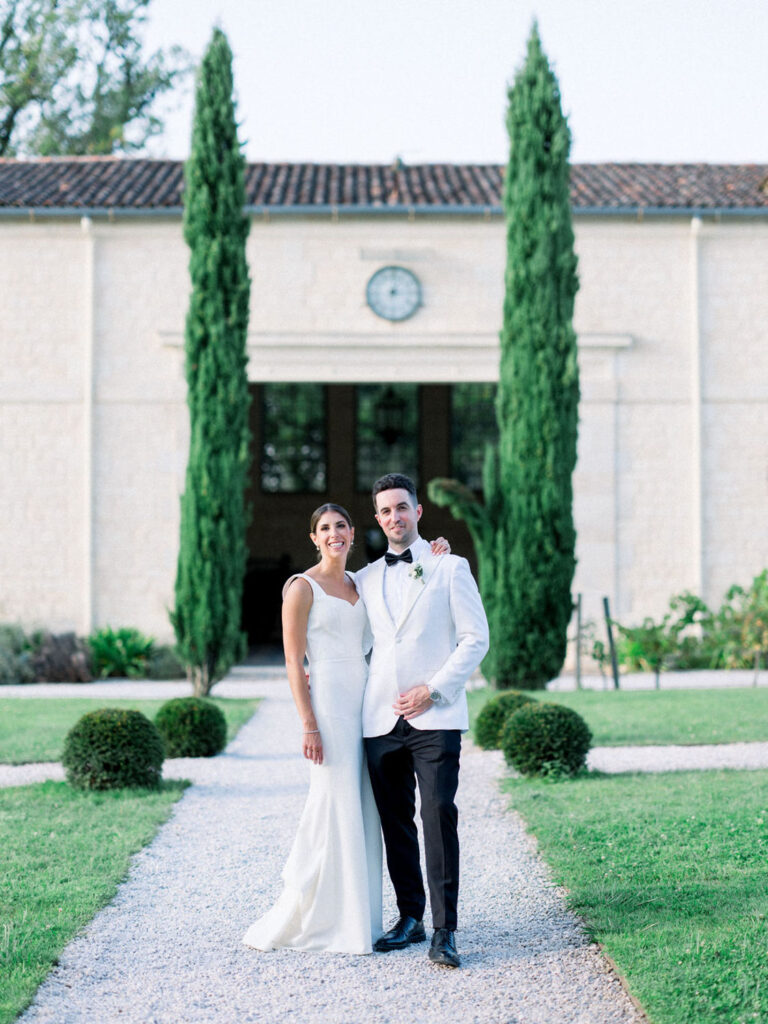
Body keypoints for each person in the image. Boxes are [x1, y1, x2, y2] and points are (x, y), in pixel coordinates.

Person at [242, 502, 450, 955]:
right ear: (313, 538)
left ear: (354, 533)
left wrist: (438, 550)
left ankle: (361, 916)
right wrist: (308, 724)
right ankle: (325, 917)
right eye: (324, 528)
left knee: (365, 807)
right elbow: (294, 662)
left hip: (368, 701)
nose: (334, 534)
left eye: (341, 526)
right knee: (333, 801)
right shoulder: (301, 587)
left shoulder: (365, 581)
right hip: (331, 704)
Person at [355, 473, 489, 969]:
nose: (395, 517)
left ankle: (444, 931)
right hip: (379, 722)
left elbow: (476, 638)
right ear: (377, 518)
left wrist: (433, 690)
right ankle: (409, 917)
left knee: (437, 816)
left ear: (418, 511)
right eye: (386, 510)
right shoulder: (365, 579)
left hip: (437, 717)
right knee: (396, 825)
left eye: (402, 507)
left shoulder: (450, 567)